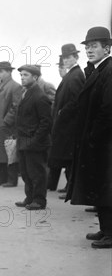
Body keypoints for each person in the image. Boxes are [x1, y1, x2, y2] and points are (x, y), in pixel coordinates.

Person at [67, 27, 112, 249]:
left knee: (107, 187)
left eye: (94, 46)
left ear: (107, 48)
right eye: (87, 46)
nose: (89, 50)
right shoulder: (97, 70)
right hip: (99, 141)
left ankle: (110, 233)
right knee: (101, 186)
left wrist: (94, 136)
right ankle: (106, 229)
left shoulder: (109, 70)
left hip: (105, 142)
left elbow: (108, 109)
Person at [13, 65, 53, 210]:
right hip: (24, 141)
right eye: (21, 75)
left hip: (35, 143)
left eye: (26, 75)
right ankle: (29, 197)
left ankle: (39, 200)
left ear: (35, 77)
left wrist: (35, 140)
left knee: (37, 173)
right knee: (25, 172)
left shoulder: (40, 96)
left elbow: (46, 122)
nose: (22, 77)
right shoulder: (26, 93)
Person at [48, 44, 85, 194]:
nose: (66, 60)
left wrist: (62, 112)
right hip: (66, 124)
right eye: (64, 58)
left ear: (76, 57)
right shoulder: (72, 74)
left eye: (69, 57)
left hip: (69, 125)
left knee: (69, 158)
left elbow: (77, 100)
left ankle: (71, 188)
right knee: (66, 158)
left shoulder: (76, 75)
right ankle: (70, 187)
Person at [0, 61, 23, 187]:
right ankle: (2, 177)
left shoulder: (15, 86)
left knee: (9, 151)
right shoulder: (2, 85)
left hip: (6, 126)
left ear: (9, 72)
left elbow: (16, 106)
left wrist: (6, 122)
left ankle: (11, 179)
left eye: (2, 71)